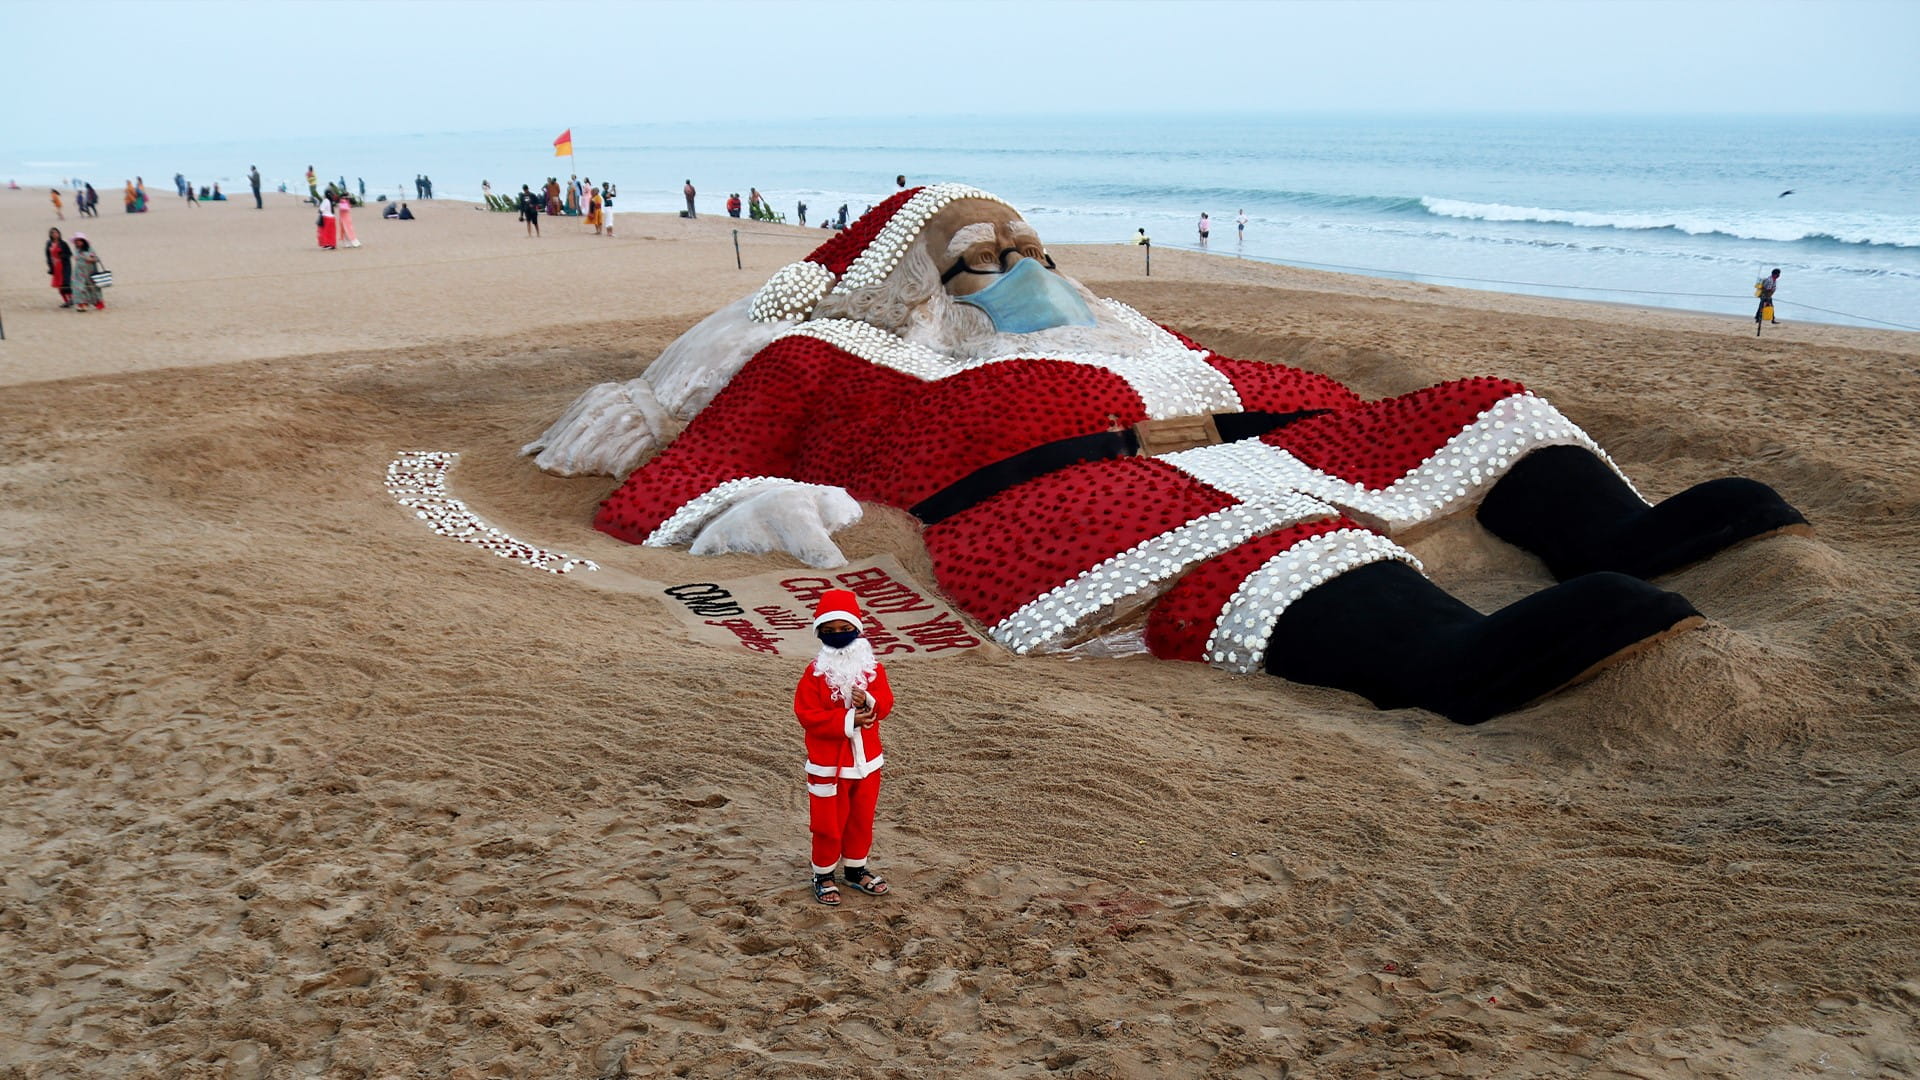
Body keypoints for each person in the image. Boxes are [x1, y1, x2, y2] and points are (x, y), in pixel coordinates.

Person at [528, 184, 1812, 726]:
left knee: (1479, 399)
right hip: (1072, 491)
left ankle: (1615, 535)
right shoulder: (849, 359)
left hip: (1260, 435)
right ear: (923, 281)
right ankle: (1438, 661)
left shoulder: (1126, 320)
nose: (1021, 270)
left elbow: (1260, 382)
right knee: (1255, 540)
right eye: (982, 258)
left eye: (1029, 247)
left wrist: (1335, 419)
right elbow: (682, 479)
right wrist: (765, 494)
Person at [794, 589, 895, 906]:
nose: (838, 636)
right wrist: (848, 719)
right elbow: (807, 715)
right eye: (830, 631)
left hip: (867, 763)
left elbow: (886, 703)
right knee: (828, 824)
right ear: (820, 634)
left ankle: (855, 869)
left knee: (861, 819)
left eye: (844, 629)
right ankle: (823, 874)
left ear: (857, 629)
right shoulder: (814, 674)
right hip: (828, 765)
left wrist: (871, 702)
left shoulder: (873, 668)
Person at [70, 234, 105, 311]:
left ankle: (98, 303)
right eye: (76, 241)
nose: (77, 243)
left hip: (90, 271)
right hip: (79, 272)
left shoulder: (89, 248)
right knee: (79, 288)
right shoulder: (76, 249)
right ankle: (82, 304)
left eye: (79, 241)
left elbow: (96, 258)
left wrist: (90, 259)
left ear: (83, 241)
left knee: (93, 288)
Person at [46, 226, 73, 307]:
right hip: (55, 266)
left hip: (64, 266)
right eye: (52, 233)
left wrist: (61, 256)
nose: (54, 234)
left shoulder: (63, 243)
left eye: (56, 232)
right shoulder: (49, 244)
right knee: (59, 284)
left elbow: (69, 254)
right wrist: (50, 266)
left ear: (59, 234)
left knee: (65, 283)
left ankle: (72, 298)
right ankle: (66, 301)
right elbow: (48, 255)